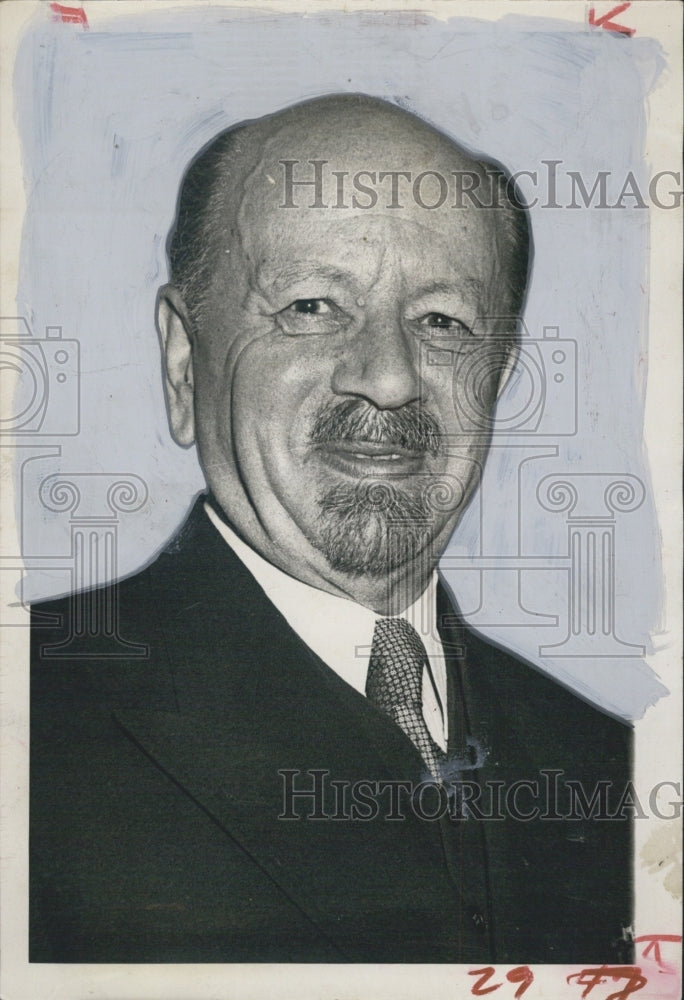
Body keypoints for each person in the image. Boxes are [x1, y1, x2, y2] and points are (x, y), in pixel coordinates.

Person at [30, 94, 632, 964]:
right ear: (181, 359)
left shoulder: (612, 767)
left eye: (443, 321)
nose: (388, 378)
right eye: (313, 305)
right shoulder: (36, 730)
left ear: (498, 377)